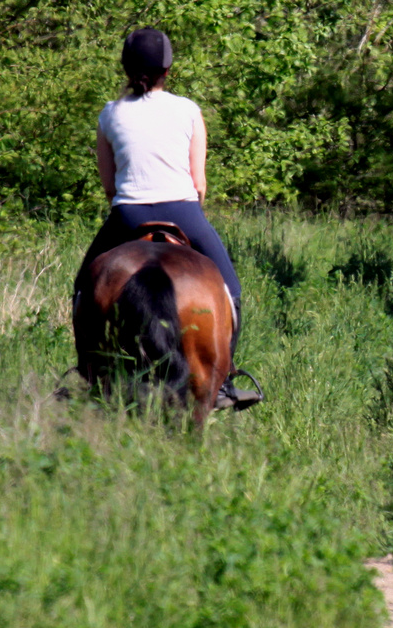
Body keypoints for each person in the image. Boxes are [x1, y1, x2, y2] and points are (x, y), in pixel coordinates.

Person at [73, 28, 263, 410]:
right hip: (183, 210)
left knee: (82, 289)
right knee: (231, 289)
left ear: (126, 68)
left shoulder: (109, 115)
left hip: (127, 215)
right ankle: (224, 382)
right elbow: (199, 183)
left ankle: (86, 374)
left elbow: (109, 186)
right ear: (168, 69)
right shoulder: (188, 110)